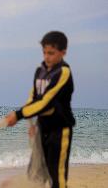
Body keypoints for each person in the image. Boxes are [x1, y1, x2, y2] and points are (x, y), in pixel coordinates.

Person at [5, 31, 75, 188]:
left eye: (51, 53)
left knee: (56, 176)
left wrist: (18, 115)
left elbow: (46, 102)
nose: (47, 57)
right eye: (44, 53)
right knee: (36, 173)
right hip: (42, 128)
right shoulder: (40, 71)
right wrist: (31, 123)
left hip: (59, 130)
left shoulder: (63, 72)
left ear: (63, 52)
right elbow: (33, 99)